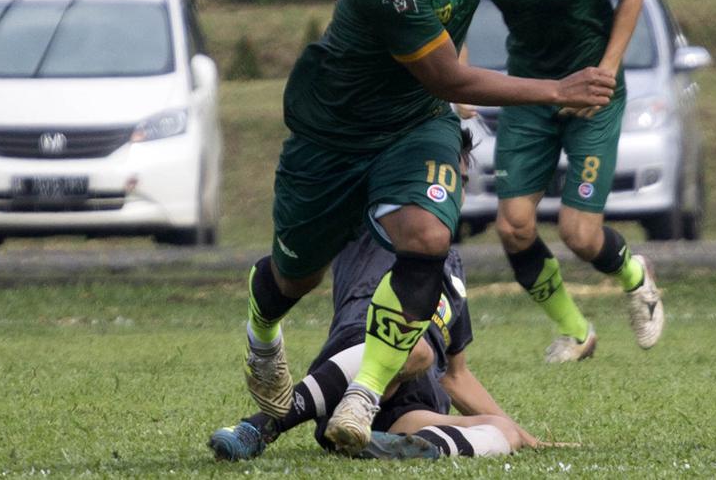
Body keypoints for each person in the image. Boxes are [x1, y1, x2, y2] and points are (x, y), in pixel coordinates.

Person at [241, 0, 616, 455]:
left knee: (428, 237)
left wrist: (340, 2)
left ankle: (363, 396)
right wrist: (559, 87)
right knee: (293, 276)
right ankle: (261, 339)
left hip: (415, 121)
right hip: (333, 133)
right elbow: (449, 73)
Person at [328, 0, 663, 365]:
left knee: (579, 234)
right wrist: (453, 81)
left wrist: (604, 70)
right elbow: (446, 8)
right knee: (513, 226)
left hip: (591, 93)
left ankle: (636, 276)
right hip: (529, 89)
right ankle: (576, 332)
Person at [212, 132, 536, 462]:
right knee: (416, 347)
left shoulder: (451, 268)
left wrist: (527, 438)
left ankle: (375, 445)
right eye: (443, 179)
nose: (453, 192)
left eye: (460, 182)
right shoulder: (377, 225)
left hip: (406, 410)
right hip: (349, 369)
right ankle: (262, 425)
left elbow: (456, 376)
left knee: (502, 431)